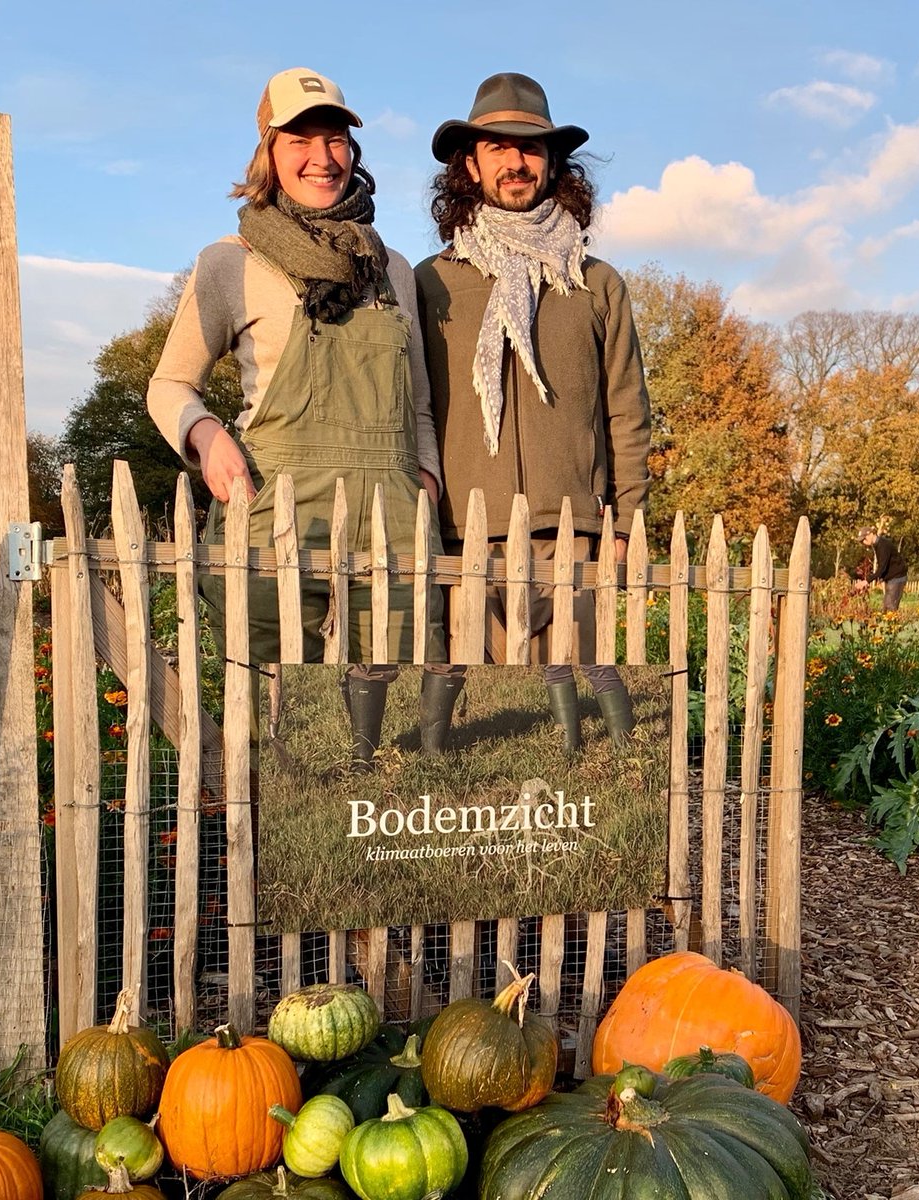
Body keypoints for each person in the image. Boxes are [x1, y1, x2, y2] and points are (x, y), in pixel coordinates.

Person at [147, 67, 461, 770]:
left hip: (392, 513)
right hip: (274, 507)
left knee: (400, 710)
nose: (322, 156)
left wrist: (428, 481)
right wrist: (206, 435)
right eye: (300, 138)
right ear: (269, 151)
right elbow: (169, 384)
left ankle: (381, 867)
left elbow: (416, 404)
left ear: (354, 151)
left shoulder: (394, 270)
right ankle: (263, 868)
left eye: (336, 138)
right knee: (271, 719)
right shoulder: (231, 263)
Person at [415, 72, 652, 750]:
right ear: (470, 162)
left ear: (553, 162)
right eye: (497, 146)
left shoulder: (596, 282)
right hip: (465, 520)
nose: (515, 161)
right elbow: (417, 404)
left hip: (573, 519)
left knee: (590, 655)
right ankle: (430, 762)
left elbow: (627, 408)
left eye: (531, 147)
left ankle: (607, 760)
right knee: (452, 655)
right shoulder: (433, 281)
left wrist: (629, 516)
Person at [854, 527, 908, 613]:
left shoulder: (883, 545)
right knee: (886, 609)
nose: (863, 542)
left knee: (890, 609)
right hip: (891, 578)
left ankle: (893, 626)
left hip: (897, 577)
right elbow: (883, 566)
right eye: (861, 541)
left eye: (864, 539)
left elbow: (882, 568)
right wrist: (881, 578)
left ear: (871, 534)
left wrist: (866, 581)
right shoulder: (877, 545)